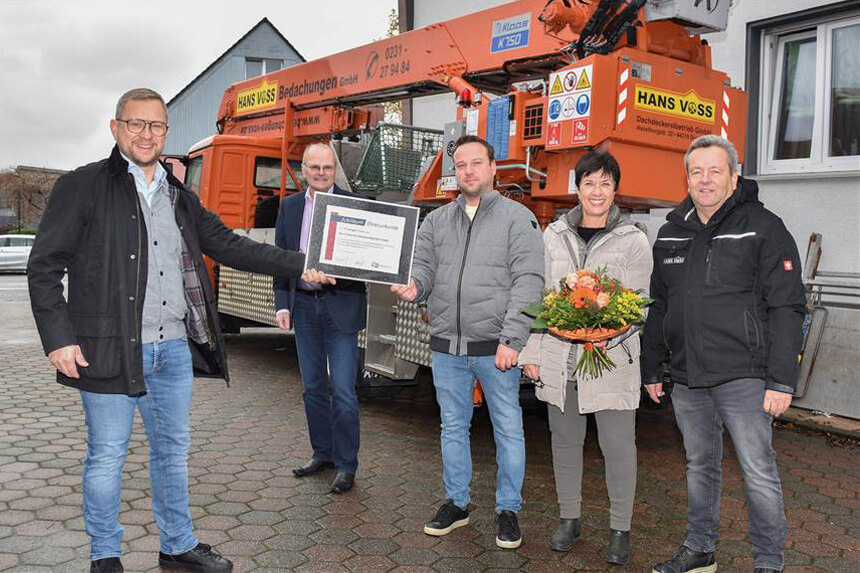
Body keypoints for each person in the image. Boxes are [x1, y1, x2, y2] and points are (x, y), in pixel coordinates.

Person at [27, 88, 333, 573]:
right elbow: (44, 266)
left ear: (166, 132)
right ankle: (105, 556)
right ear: (116, 128)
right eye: (136, 123)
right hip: (106, 350)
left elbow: (231, 245)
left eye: (156, 125)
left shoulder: (178, 195)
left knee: (172, 453)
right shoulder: (82, 186)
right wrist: (59, 338)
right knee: (106, 457)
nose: (147, 134)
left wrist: (300, 264)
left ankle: (177, 545)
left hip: (171, 350)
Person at [642, 135, 805, 573]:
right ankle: (700, 550)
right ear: (687, 179)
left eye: (715, 171)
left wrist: (781, 380)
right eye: (696, 172)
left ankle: (768, 563)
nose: (705, 180)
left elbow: (787, 305)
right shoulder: (671, 231)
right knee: (700, 466)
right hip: (688, 377)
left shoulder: (763, 226)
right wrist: (652, 367)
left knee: (758, 471)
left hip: (744, 375)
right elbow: (659, 305)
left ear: (734, 177)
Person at [391, 135, 544, 549]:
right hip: (447, 347)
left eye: (477, 163)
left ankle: (508, 509)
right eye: (461, 165)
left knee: (508, 429)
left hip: (496, 349)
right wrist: (415, 286)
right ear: (454, 173)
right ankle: (457, 504)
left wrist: (513, 338)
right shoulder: (437, 221)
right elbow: (423, 267)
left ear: (493, 168)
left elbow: (529, 281)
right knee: (453, 427)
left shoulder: (518, 218)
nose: (469, 171)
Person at [520, 151, 651, 565]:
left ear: (615, 190)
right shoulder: (554, 234)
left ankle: (620, 528)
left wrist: (603, 332)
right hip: (560, 357)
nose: (597, 192)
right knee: (564, 442)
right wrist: (532, 350)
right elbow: (541, 296)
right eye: (589, 183)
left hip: (611, 359)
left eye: (605, 184)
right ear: (577, 188)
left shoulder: (633, 239)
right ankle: (569, 518)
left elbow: (639, 306)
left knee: (618, 446)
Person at [273, 143, 367, 494]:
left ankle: (346, 465)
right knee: (313, 388)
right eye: (315, 167)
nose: (322, 173)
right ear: (304, 169)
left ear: (334, 170)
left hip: (340, 306)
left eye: (327, 167)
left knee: (342, 390)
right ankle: (323, 454)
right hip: (303, 307)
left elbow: (365, 261)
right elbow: (281, 259)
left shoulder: (356, 205)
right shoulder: (290, 207)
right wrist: (283, 305)